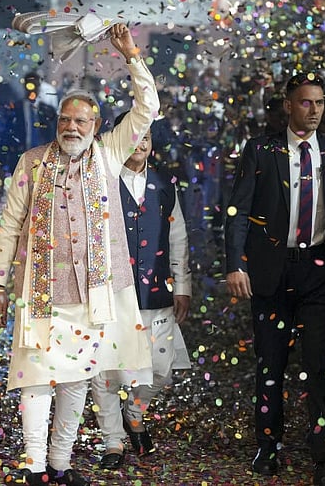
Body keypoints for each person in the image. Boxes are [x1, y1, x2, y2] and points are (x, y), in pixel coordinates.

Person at [0, 23, 158, 486]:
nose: (71, 127)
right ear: (56, 123)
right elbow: (8, 226)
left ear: (96, 127)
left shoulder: (108, 154)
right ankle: (34, 468)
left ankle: (60, 466)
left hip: (93, 295)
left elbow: (149, 108)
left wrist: (130, 56)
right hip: (40, 291)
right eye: (65, 120)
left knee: (79, 380)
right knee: (37, 378)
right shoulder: (32, 162)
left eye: (81, 121)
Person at [225, 72, 325, 485]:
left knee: (320, 367)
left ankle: (324, 457)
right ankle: (268, 447)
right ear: (288, 105)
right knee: (271, 364)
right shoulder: (261, 150)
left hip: (319, 271)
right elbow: (237, 211)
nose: (315, 111)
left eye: (320, 103)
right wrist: (236, 264)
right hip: (271, 271)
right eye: (306, 103)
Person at [90, 111, 192, 470]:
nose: (142, 142)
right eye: (135, 135)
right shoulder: (101, 182)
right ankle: (112, 440)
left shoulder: (164, 184)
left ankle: (135, 413)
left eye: (147, 136)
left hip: (156, 291)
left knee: (160, 365)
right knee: (103, 370)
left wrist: (183, 286)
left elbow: (177, 236)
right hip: (110, 292)